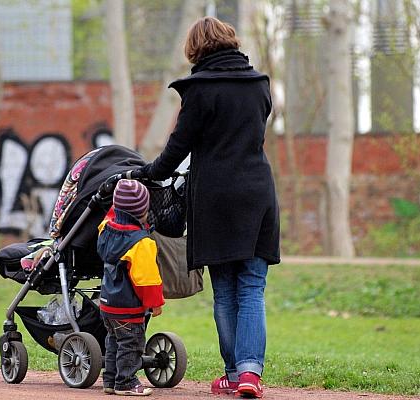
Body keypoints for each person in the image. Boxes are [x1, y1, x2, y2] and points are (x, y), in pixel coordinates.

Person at [137, 16, 280, 399]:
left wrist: (146, 173)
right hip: (257, 195)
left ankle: (233, 373)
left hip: (215, 197)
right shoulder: (260, 86)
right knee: (252, 287)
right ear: (230, 42)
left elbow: (176, 149)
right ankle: (250, 374)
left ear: (195, 49)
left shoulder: (200, 90)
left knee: (225, 291)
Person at [97, 179, 164, 396]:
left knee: (114, 341)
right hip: (128, 307)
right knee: (131, 344)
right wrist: (155, 304)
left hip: (107, 303)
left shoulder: (105, 229)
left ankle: (110, 380)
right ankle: (125, 382)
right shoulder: (141, 243)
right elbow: (147, 279)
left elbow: (110, 215)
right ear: (143, 211)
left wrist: (116, 203)